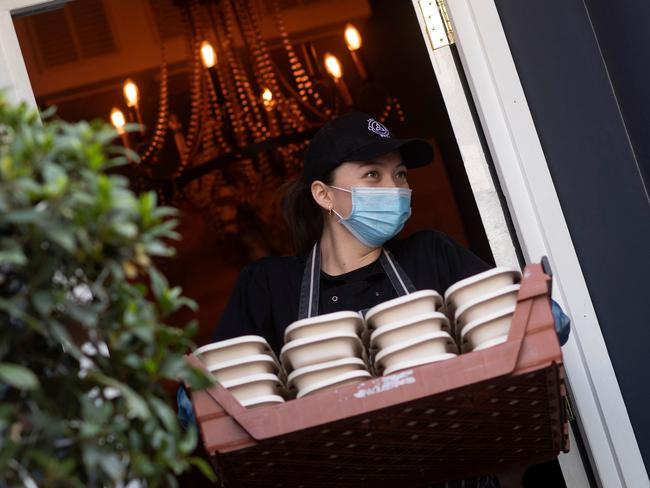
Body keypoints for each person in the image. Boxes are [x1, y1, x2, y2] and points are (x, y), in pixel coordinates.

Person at [192, 112, 570, 488]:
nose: (394, 187)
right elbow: (225, 387)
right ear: (324, 194)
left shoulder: (431, 254)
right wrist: (194, 399)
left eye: (400, 174)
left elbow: (514, 326)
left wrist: (538, 316)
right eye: (373, 173)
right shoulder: (269, 285)